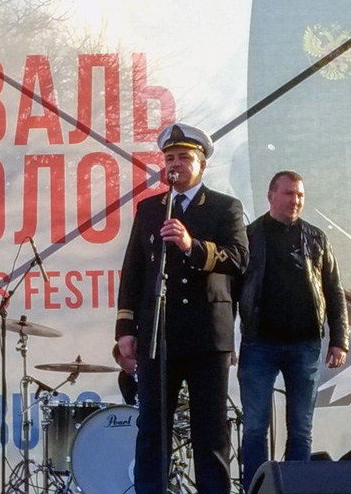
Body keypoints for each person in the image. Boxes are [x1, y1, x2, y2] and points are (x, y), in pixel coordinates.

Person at [115, 122, 248, 494]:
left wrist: (193, 246)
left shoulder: (224, 207)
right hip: (159, 333)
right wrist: (126, 329)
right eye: (169, 158)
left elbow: (239, 259)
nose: (175, 164)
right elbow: (134, 271)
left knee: (210, 430)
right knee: (152, 427)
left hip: (207, 334)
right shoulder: (150, 209)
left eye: (184, 158)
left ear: (201, 164)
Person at [236, 170, 350, 491]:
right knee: (254, 427)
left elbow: (334, 290)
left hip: (305, 345)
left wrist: (339, 339)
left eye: (300, 195)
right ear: (271, 196)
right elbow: (231, 290)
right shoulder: (249, 237)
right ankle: (256, 490)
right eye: (288, 193)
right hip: (259, 344)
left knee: (301, 429)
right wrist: (225, 340)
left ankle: (297, 488)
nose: (295, 200)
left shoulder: (316, 238)